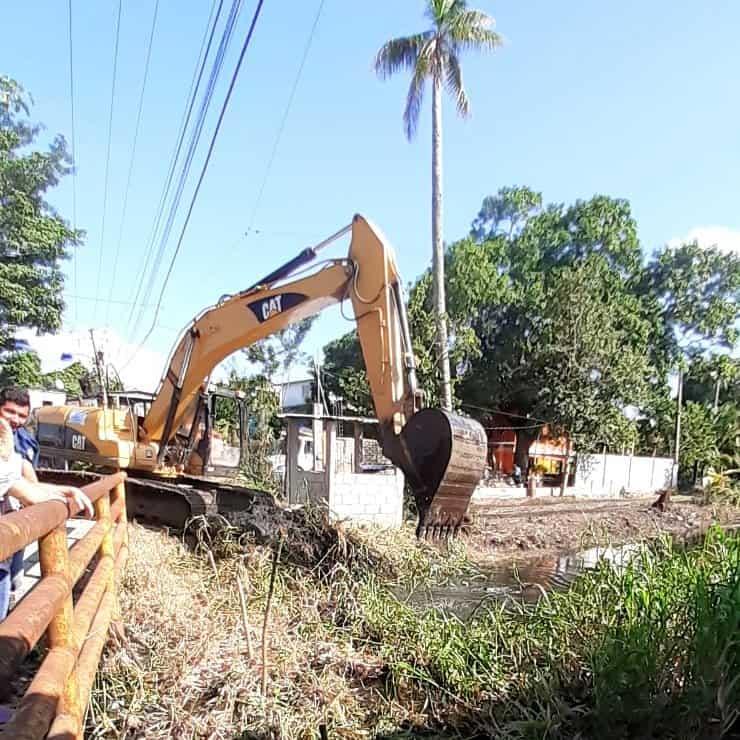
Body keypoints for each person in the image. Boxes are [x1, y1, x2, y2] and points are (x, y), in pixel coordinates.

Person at [0, 419, 93, 622]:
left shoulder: (20, 445)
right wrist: (64, 498)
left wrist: (65, 491)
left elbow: (27, 487)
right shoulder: (8, 457)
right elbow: (30, 494)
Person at [0, 387, 40, 599]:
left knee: (13, 574)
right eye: (10, 412)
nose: (15, 419)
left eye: (22, 415)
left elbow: (30, 475)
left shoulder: (26, 441)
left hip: (16, 512)